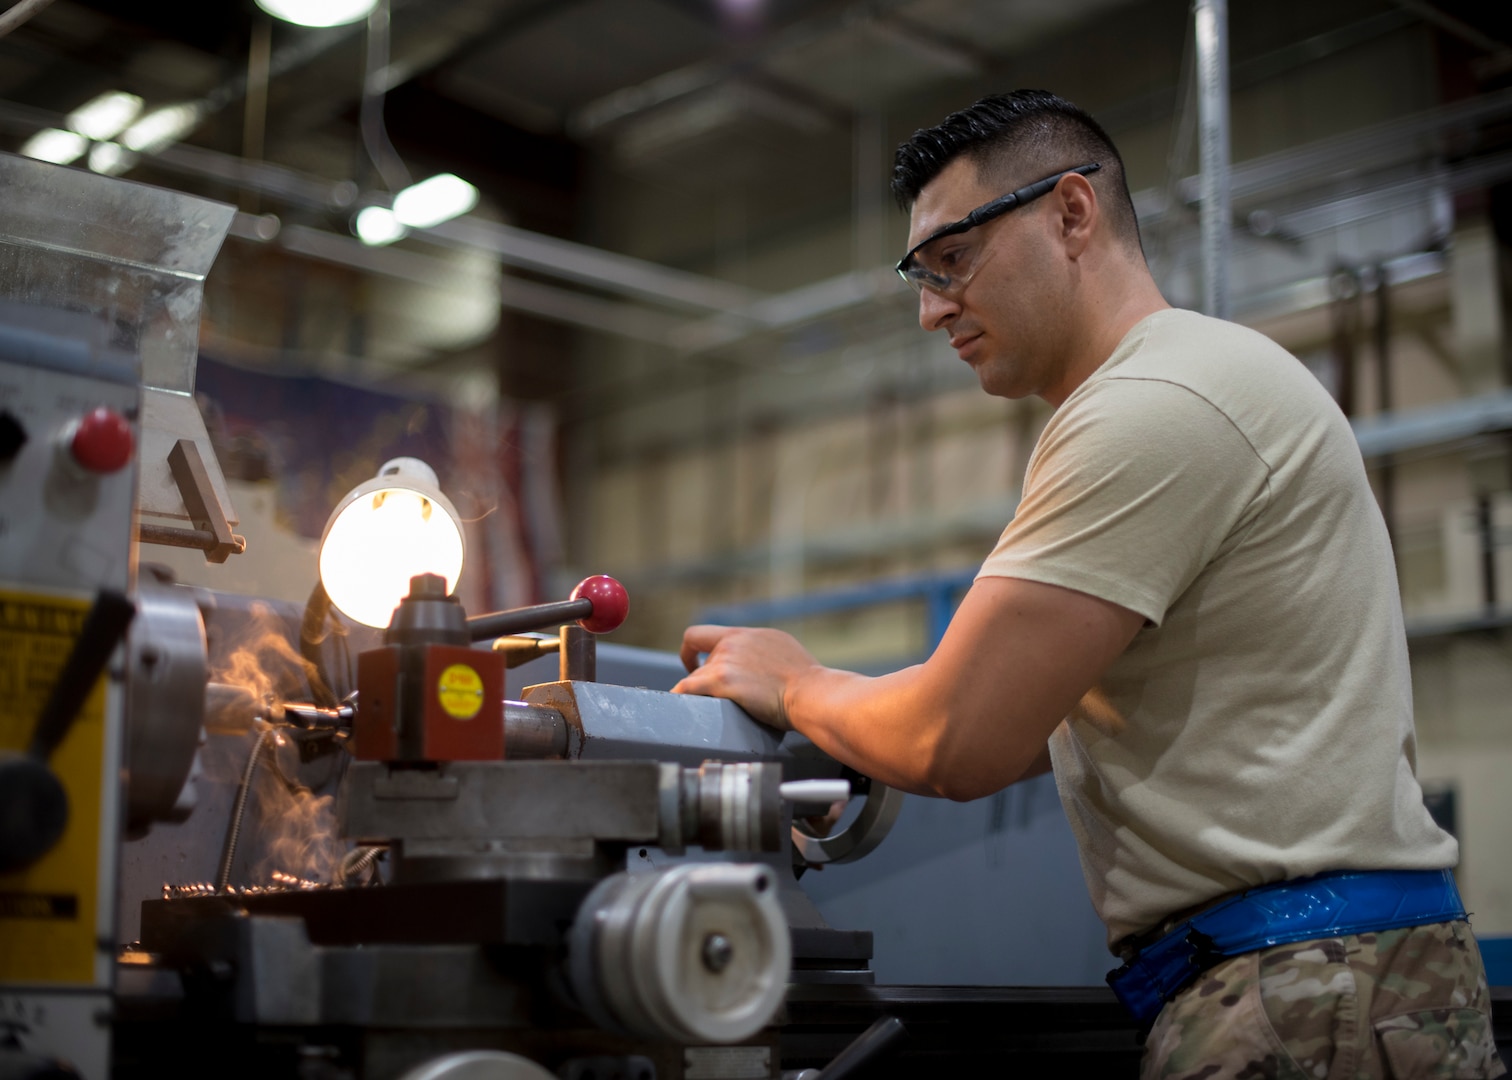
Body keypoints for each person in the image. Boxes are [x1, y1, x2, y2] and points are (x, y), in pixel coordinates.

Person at [672, 90, 1505, 1078]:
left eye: (952, 260)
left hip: (1301, 991)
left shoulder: (1151, 407)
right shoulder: (1204, 379)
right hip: (1331, 976)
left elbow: (963, 738)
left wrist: (793, 682)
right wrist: (853, 740)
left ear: (1072, 212)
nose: (933, 309)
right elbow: (1035, 716)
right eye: (921, 276)